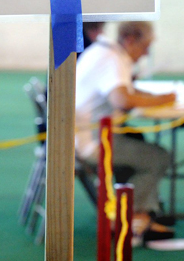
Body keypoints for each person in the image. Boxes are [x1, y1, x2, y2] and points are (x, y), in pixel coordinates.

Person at [74, 21, 176, 245]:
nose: (146, 53)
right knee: (156, 157)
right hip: (91, 143)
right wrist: (165, 99)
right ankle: (130, 219)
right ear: (130, 40)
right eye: (145, 46)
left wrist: (152, 97)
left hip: (83, 137)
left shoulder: (105, 51)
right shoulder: (113, 59)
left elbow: (124, 91)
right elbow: (122, 99)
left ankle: (139, 215)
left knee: (141, 145)